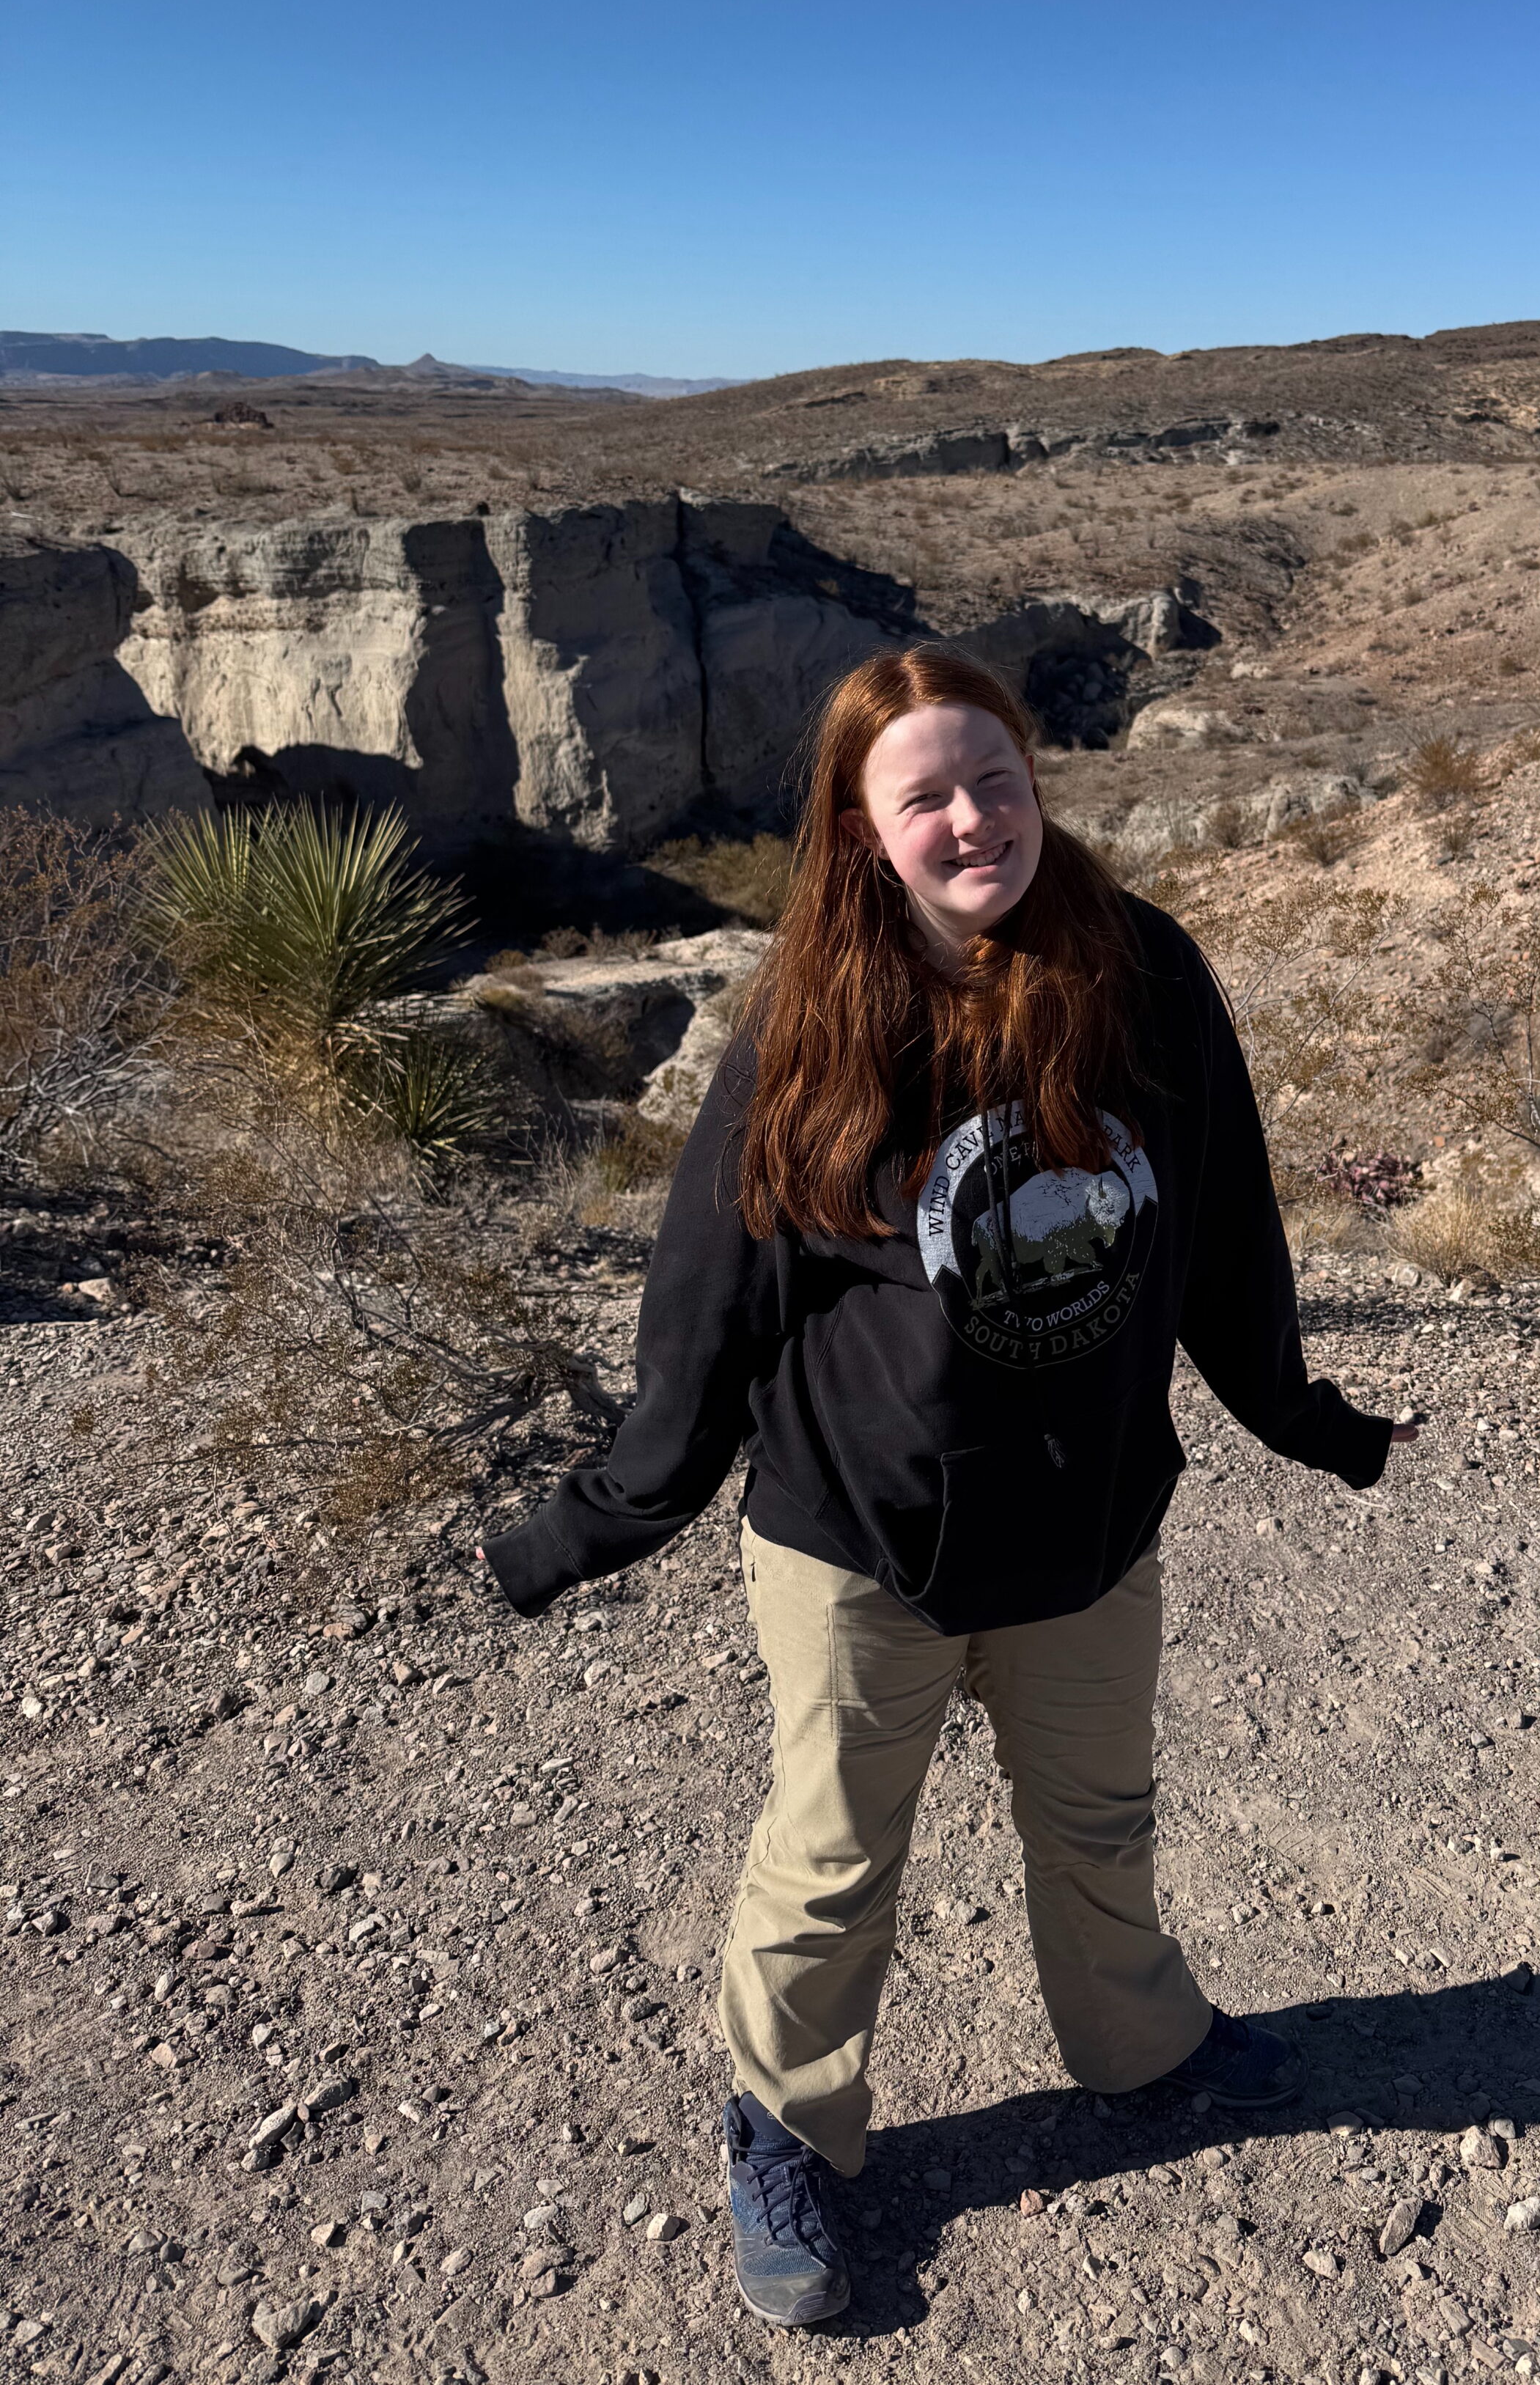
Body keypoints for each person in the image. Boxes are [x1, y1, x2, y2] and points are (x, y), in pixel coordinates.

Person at [480, 644, 1413, 2327]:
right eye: (925, 795)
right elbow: (710, 1307)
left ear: (1036, 776)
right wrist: (592, 1520)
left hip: (1087, 1518)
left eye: (996, 776)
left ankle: (1145, 2047)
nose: (974, 817)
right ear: (858, 827)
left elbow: (1225, 1236)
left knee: (1101, 1820)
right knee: (833, 1860)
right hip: (861, 1540)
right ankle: (786, 2128)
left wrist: (1303, 1415)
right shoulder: (814, 1026)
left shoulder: (1145, 977)